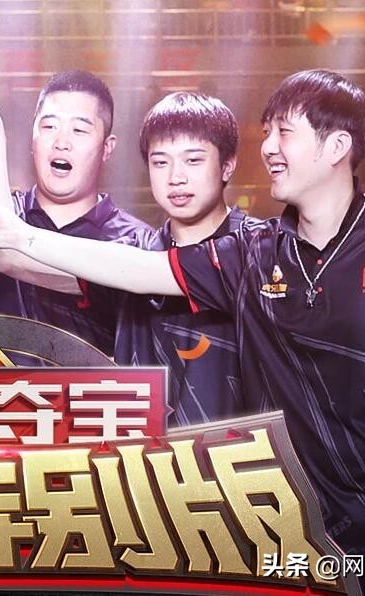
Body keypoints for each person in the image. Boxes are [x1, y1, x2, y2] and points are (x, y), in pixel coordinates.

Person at [0, 69, 365, 594]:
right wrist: (16, 224)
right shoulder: (254, 254)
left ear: (336, 147)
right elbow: (139, 270)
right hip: (301, 524)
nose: (268, 148)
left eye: (284, 133)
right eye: (267, 133)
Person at [0, 70, 152, 357]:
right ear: (32, 139)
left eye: (79, 130)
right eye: (49, 126)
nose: (61, 142)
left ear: (107, 148)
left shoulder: (137, 243)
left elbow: (6, 256)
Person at [110, 91, 253, 427]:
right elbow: (17, 260)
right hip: (141, 455)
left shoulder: (261, 250)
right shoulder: (134, 251)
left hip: (242, 453)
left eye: (193, 160)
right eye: (160, 162)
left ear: (227, 165)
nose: (175, 177)